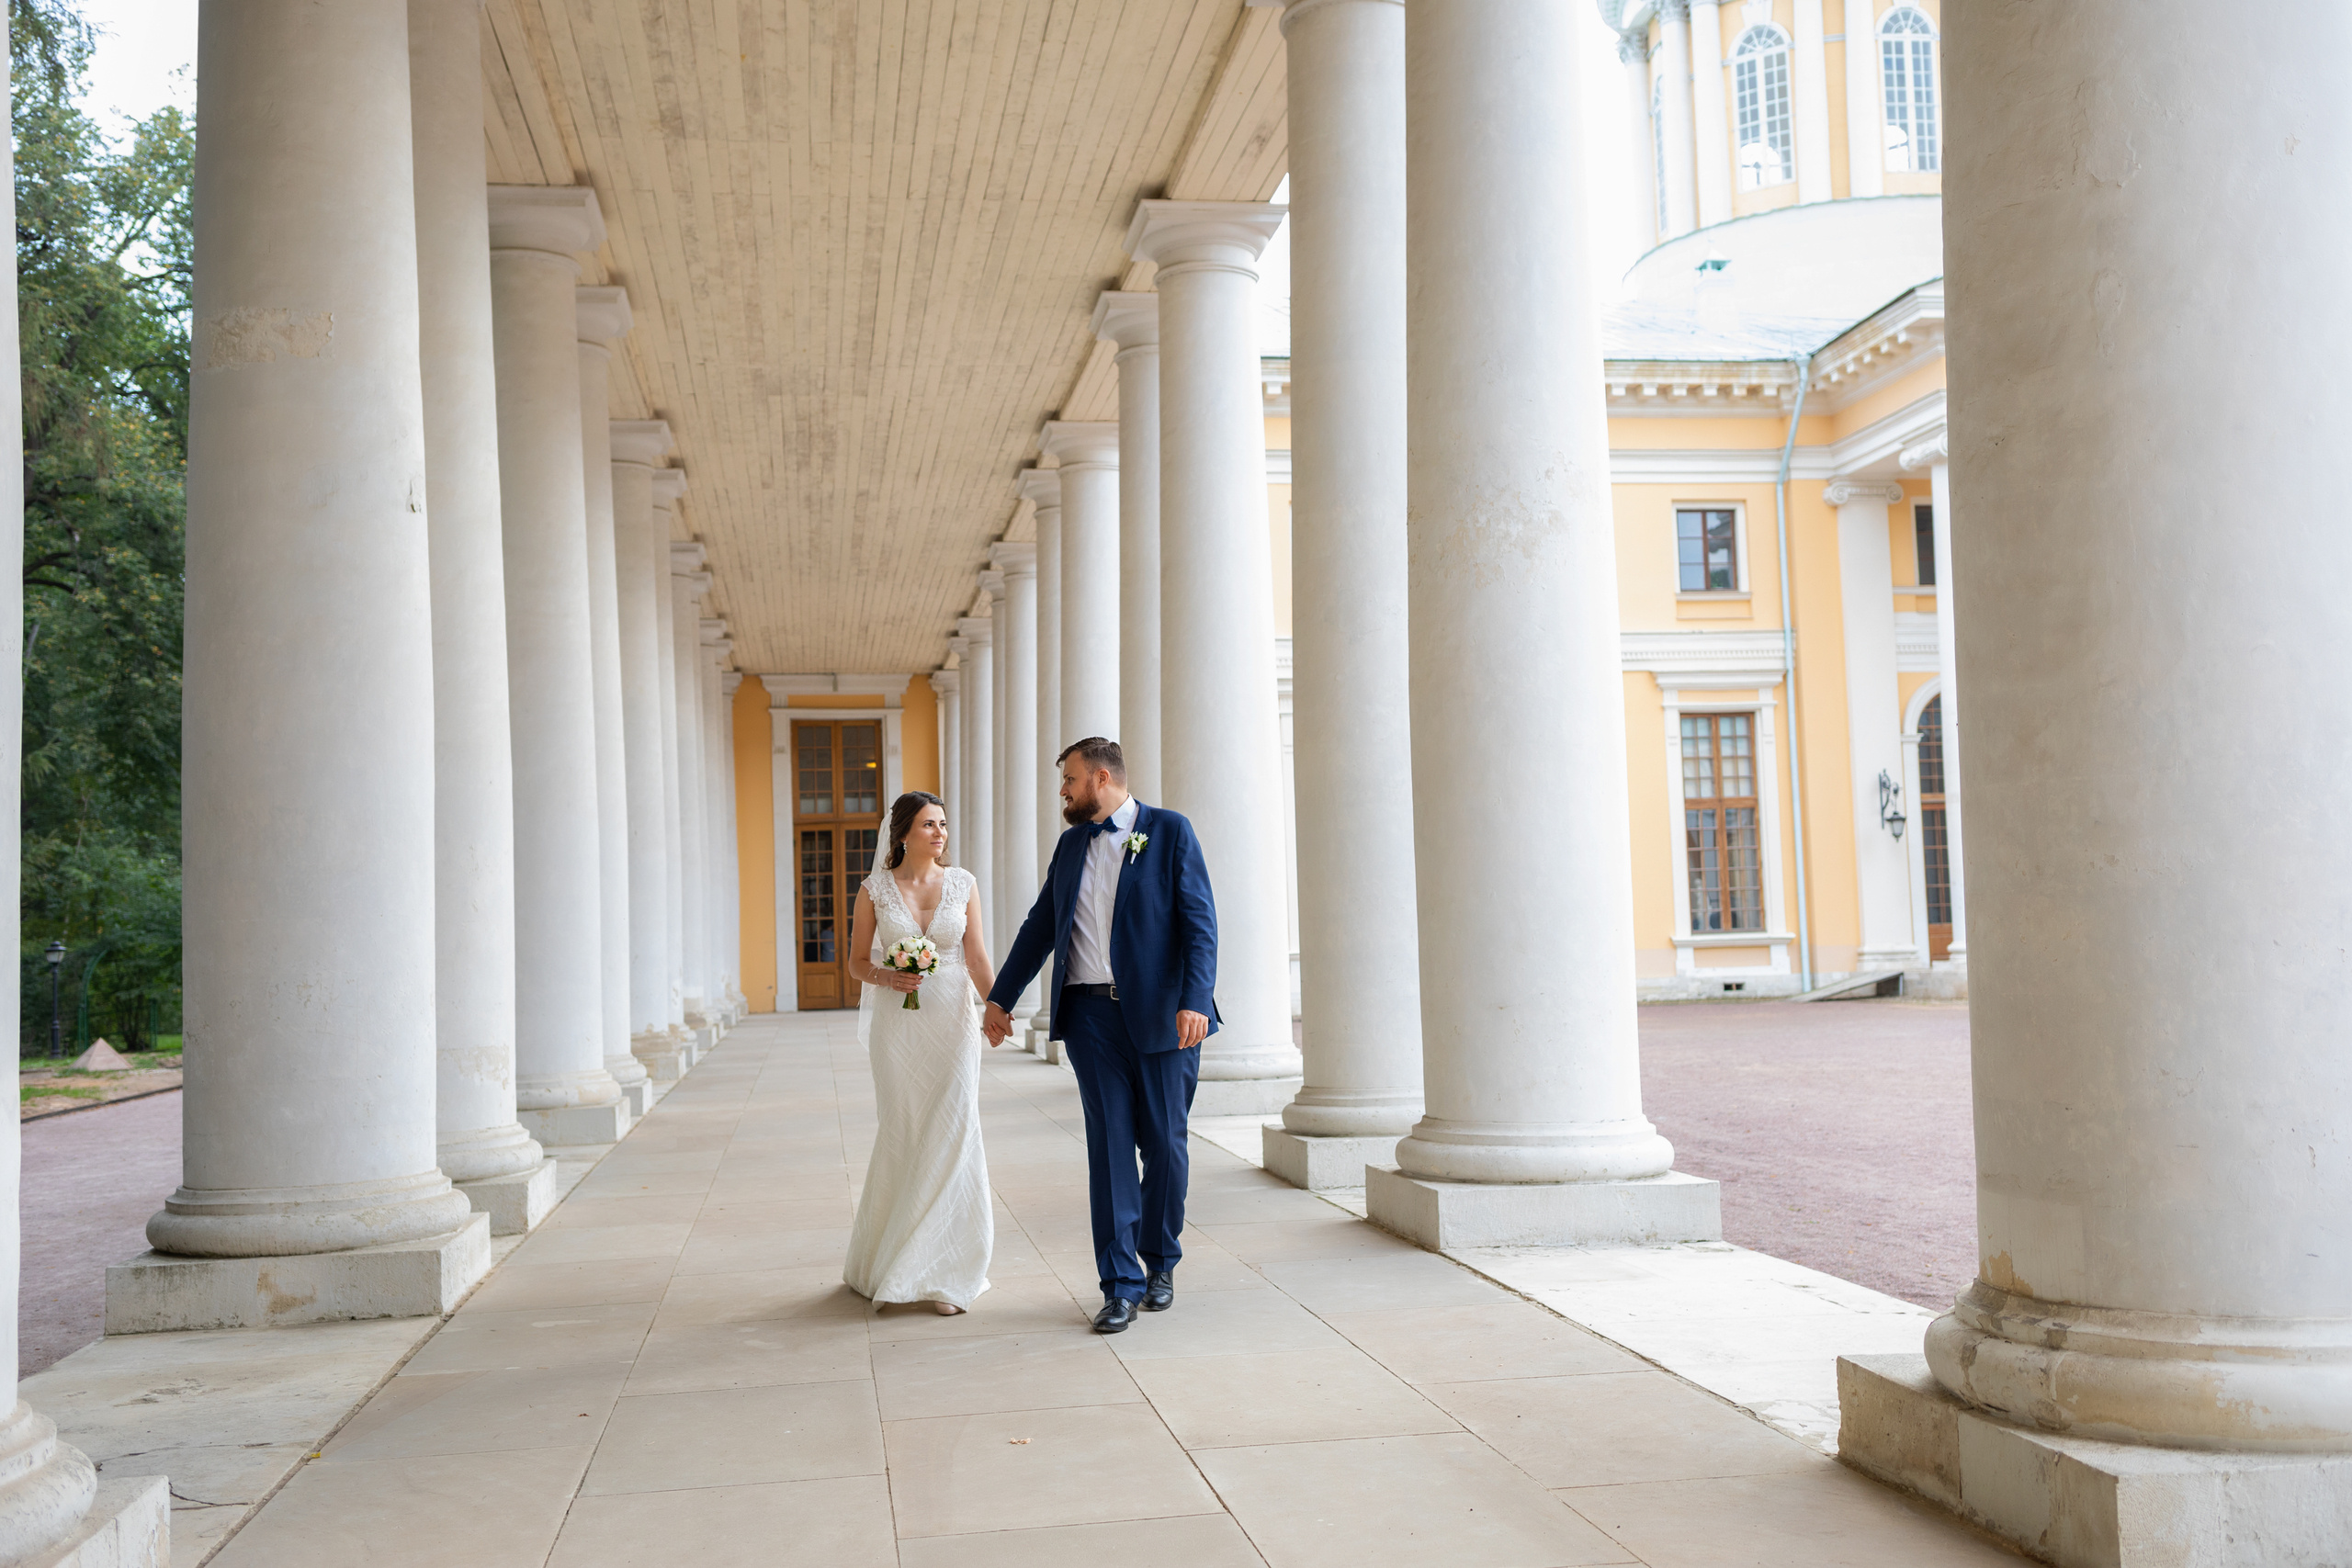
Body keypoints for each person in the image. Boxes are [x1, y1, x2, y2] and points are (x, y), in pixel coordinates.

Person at [986, 738, 1217, 1334]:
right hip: (1090, 1019)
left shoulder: (1169, 831)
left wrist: (1195, 999)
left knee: (1165, 1144)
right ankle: (1119, 1285)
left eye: (1069, 778)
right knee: (1110, 1148)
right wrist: (1001, 997)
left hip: (1164, 1017)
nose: (1063, 790)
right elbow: (1040, 926)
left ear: (1102, 777)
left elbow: (1200, 923)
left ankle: (1159, 1261)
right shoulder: (1070, 847)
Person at [842, 792, 998, 1315]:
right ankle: (892, 1258)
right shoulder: (874, 890)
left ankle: (947, 1272)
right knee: (905, 1128)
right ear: (904, 832)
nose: (940, 833)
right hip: (898, 1028)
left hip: (953, 1021)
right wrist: (887, 976)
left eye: (943, 824)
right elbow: (856, 962)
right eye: (930, 824)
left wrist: (996, 1007)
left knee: (954, 1128)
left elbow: (976, 956)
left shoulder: (964, 883)